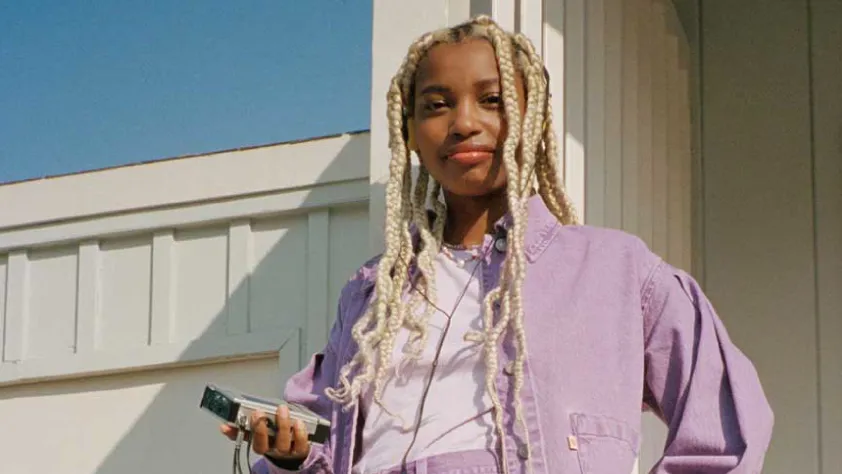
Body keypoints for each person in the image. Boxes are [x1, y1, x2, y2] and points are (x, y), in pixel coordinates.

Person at [221, 15, 773, 474]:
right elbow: (322, 446)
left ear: (530, 119)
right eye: (436, 105)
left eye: (492, 99)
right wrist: (288, 457)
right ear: (409, 132)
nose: (464, 123)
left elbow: (725, 432)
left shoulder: (618, 272)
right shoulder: (372, 295)